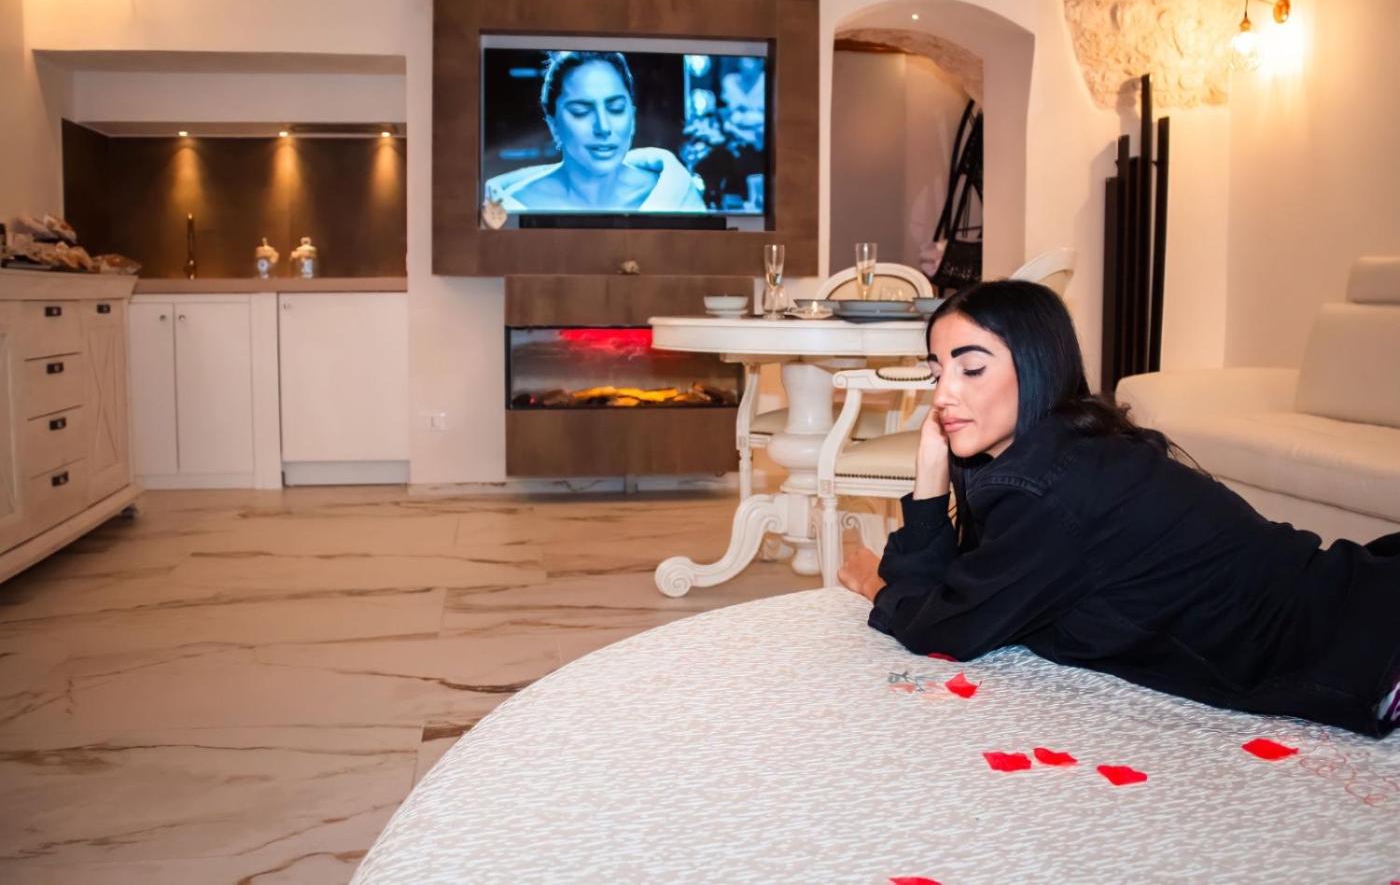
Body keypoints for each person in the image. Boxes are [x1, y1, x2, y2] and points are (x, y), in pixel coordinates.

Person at [837, 280, 1400, 738]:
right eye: (937, 373)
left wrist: (874, 584)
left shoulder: (1049, 490)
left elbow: (946, 628)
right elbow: (964, 590)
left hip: (1365, 647)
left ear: (1035, 366)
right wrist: (931, 466)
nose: (942, 396)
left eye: (972, 368)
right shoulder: (1070, 449)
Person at [485, 51, 705, 213]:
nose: (603, 127)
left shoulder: (678, 198)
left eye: (616, 109)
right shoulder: (509, 206)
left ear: (632, 116)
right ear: (553, 125)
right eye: (581, 112)